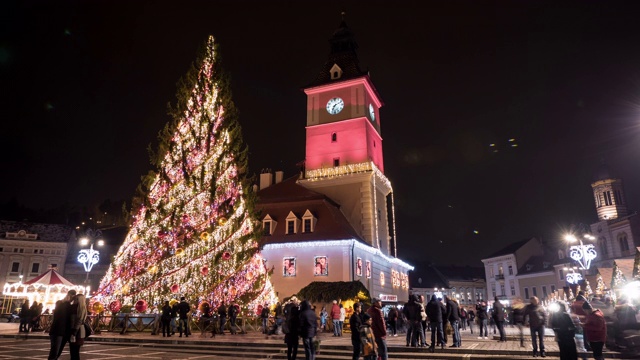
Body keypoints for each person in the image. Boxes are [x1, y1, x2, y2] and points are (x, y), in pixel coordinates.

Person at [49, 290, 76, 360]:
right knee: (56, 351)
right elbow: (71, 320)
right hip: (61, 331)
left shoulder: (59, 304)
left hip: (56, 330)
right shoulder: (69, 307)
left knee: (54, 351)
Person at [68, 293, 88, 360]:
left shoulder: (76, 308)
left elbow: (78, 321)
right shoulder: (82, 308)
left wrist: (74, 333)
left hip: (76, 331)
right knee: (75, 351)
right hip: (80, 331)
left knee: (74, 351)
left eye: (76, 299)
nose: (75, 300)